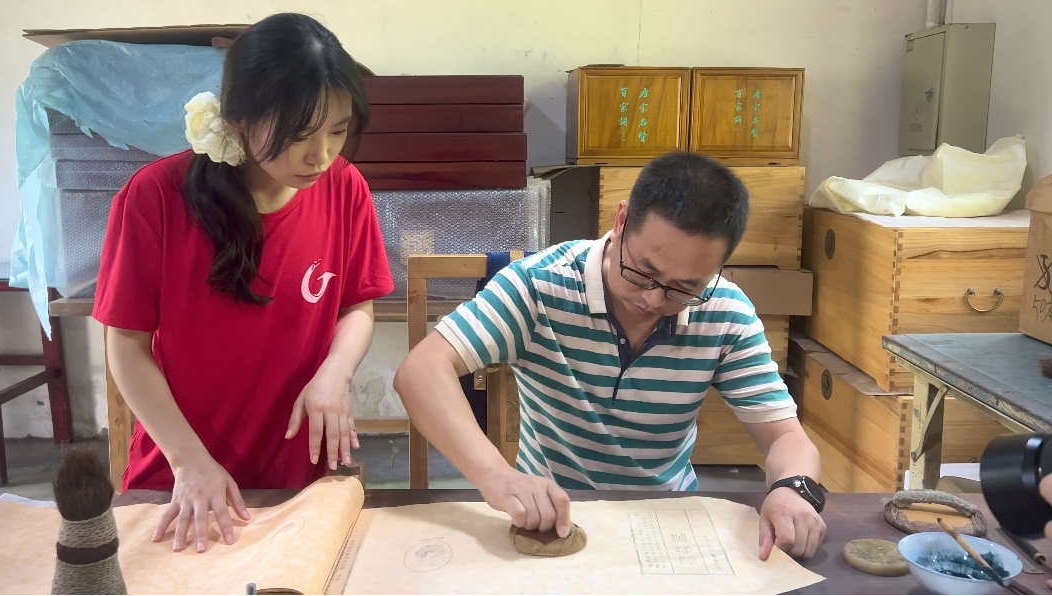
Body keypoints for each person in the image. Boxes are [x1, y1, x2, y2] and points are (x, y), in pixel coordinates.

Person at [394, 151, 827, 561]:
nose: (653, 299)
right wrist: (494, 473)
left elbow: (785, 437)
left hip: (667, 521)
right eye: (642, 271)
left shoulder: (725, 313)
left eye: (684, 288)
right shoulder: (539, 286)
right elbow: (421, 371)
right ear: (621, 221)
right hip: (553, 518)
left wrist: (793, 490)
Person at [92, 13, 393, 554]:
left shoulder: (345, 188)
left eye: (338, 130)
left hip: (295, 474)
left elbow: (356, 306)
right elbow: (126, 345)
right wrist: (189, 461)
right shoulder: (156, 197)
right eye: (299, 135)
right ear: (237, 119)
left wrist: (336, 372)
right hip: (180, 474)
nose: (321, 156)